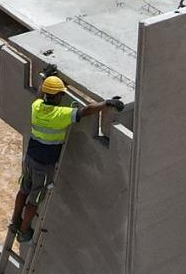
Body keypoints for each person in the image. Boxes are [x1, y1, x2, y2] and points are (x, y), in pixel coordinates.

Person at [9, 74, 123, 243]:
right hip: (44, 164)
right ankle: (24, 231)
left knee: (23, 190)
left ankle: (15, 221)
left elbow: (40, 94)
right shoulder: (60, 114)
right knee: (34, 199)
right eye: (61, 94)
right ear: (55, 96)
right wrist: (106, 104)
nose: (62, 96)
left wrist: (45, 79)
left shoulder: (36, 106)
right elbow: (86, 111)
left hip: (30, 159)